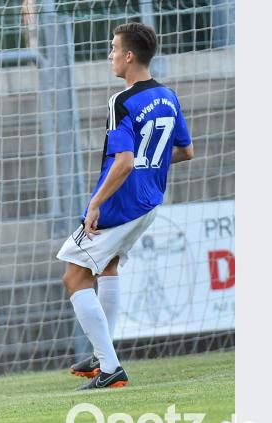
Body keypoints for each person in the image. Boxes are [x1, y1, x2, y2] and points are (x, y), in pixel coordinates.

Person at [56, 22, 194, 390]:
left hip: (121, 201)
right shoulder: (168, 96)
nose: (111, 56)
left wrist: (96, 203)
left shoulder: (122, 101)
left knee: (73, 275)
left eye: (114, 49)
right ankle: (105, 357)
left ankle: (110, 367)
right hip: (150, 201)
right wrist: (154, 162)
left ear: (129, 56)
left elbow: (124, 162)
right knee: (109, 265)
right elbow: (185, 151)